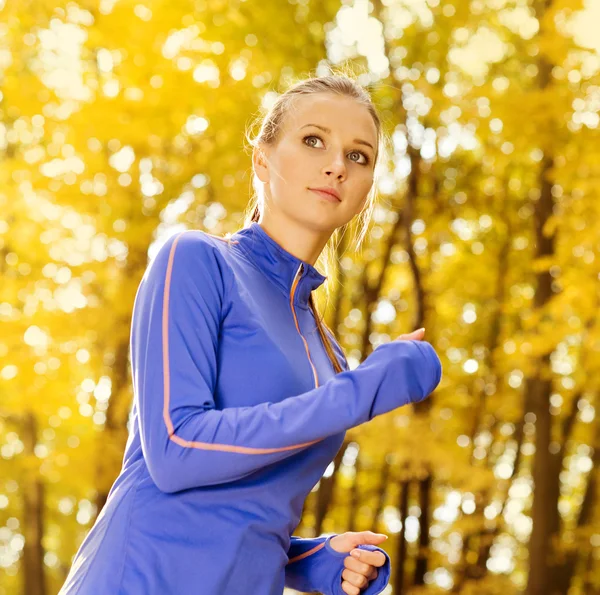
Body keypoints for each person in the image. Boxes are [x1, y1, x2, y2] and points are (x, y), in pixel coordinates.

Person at [59, 73, 442, 595]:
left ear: (366, 187)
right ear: (262, 158)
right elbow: (175, 451)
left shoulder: (327, 351)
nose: (336, 164)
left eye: (359, 156)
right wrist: (363, 391)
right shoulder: (195, 260)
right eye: (313, 141)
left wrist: (314, 561)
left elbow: (247, 512)